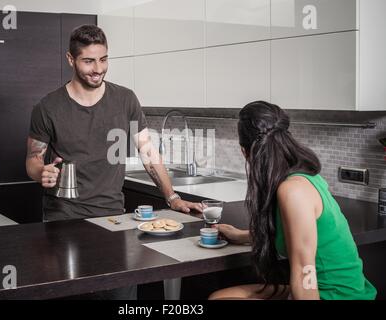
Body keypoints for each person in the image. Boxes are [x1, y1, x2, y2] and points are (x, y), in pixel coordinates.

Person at [25, 25, 202, 299]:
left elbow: (148, 152)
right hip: (64, 219)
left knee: (120, 296)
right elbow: (33, 159)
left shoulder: (125, 99)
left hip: (113, 218)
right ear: (70, 59)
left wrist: (172, 197)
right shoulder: (48, 107)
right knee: (74, 293)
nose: (98, 68)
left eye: (103, 59)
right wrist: (41, 173)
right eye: (88, 61)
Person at [209, 101, 377, 300]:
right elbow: (294, 234)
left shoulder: (293, 191)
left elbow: (305, 273)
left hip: (334, 295)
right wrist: (241, 235)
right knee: (220, 296)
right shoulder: (304, 177)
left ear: (244, 152)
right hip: (322, 289)